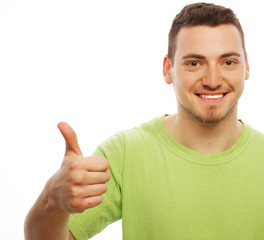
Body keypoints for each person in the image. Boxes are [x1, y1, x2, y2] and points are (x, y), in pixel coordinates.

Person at [24, 2, 264, 240]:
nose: (212, 80)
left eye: (228, 62)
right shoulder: (124, 154)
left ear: (246, 68)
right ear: (167, 70)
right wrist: (52, 200)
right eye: (194, 63)